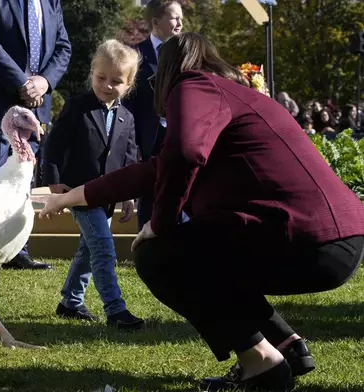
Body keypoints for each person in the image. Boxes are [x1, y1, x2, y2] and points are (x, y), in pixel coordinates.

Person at [33, 32, 364, 391]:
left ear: (168, 72)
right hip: (338, 237)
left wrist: (161, 223)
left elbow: (185, 154)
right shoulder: (234, 94)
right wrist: (70, 198)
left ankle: (261, 363)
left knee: (159, 256)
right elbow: (157, 169)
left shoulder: (193, 85)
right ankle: (287, 345)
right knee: (212, 255)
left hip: (307, 238)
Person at [44, 39, 144, 330]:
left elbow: (128, 159)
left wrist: (129, 196)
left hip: (109, 196)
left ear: (129, 84)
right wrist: (54, 181)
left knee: (88, 249)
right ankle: (115, 309)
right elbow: (54, 146)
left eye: (116, 81)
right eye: (101, 78)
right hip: (78, 192)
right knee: (102, 247)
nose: (107, 85)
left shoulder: (127, 117)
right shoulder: (77, 107)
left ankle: (70, 301)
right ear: (92, 73)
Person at [0, 0, 72, 270]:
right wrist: (21, 82)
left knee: (24, 176)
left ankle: (16, 250)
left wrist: (44, 82)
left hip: (36, 102)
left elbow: (63, 46)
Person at [123, 0, 183, 231]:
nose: (180, 22)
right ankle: (147, 247)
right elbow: (128, 100)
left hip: (180, 133)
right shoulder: (135, 55)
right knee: (149, 191)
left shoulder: (186, 53)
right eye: (174, 17)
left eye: (180, 17)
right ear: (156, 21)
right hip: (149, 136)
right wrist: (132, 140)